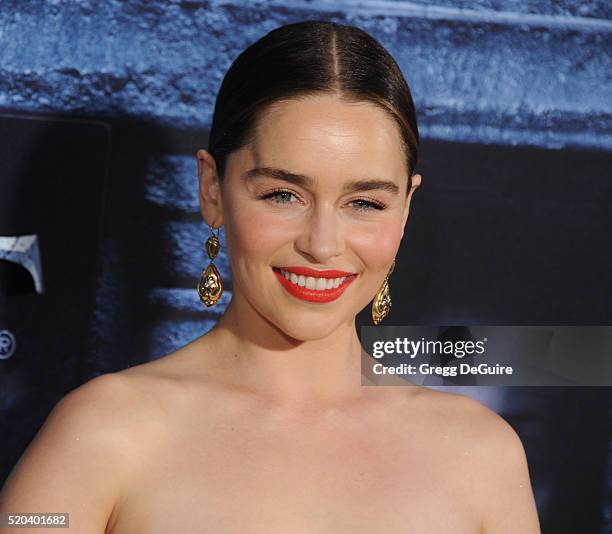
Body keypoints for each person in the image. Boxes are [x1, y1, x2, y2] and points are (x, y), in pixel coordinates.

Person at [0, 20, 540, 533]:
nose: (322, 244)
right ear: (212, 189)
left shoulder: (479, 454)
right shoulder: (104, 432)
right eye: (283, 195)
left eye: (364, 202)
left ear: (405, 209)